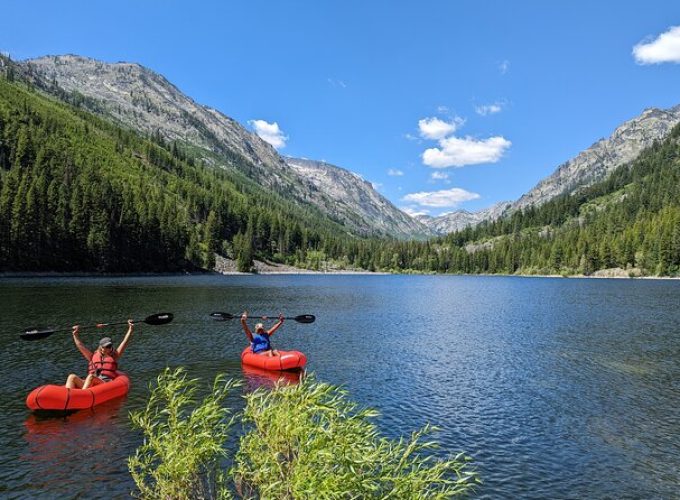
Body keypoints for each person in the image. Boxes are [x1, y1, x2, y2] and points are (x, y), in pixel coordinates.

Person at [65, 319, 134, 389]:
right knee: (71, 377)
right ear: (101, 347)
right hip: (91, 381)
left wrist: (130, 329)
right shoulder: (92, 356)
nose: (108, 348)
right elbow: (80, 346)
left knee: (91, 377)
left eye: (109, 346)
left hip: (104, 383)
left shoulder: (114, 356)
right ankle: (68, 396)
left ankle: (83, 395)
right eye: (106, 346)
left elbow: (124, 342)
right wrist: (75, 335)